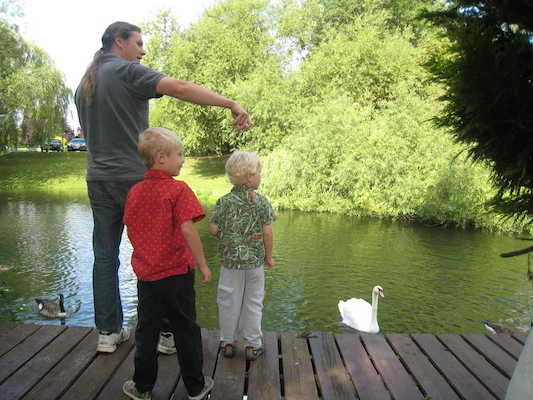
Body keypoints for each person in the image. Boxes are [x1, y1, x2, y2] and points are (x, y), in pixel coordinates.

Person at [74, 21, 252, 354]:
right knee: (163, 252)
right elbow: (181, 87)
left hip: (98, 180)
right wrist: (230, 103)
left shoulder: (86, 82)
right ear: (119, 41)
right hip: (137, 181)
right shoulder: (127, 72)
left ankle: (108, 332)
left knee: (104, 257)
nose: (142, 51)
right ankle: (167, 334)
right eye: (138, 43)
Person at [122, 127, 213, 400]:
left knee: (147, 329)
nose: (183, 159)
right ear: (161, 157)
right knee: (185, 327)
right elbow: (188, 229)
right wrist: (204, 264)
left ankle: (142, 387)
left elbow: (130, 226)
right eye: (180, 154)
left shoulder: (135, 191)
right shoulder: (178, 189)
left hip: (147, 275)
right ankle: (196, 387)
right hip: (177, 274)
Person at [209, 151, 276, 361]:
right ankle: (253, 345)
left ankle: (227, 342)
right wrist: (269, 256)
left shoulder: (223, 201)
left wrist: (228, 230)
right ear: (249, 176)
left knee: (228, 301)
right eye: (259, 173)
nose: (260, 176)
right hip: (255, 264)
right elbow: (267, 232)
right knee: (254, 302)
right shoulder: (262, 202)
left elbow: (213, 230)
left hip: (229, 264)